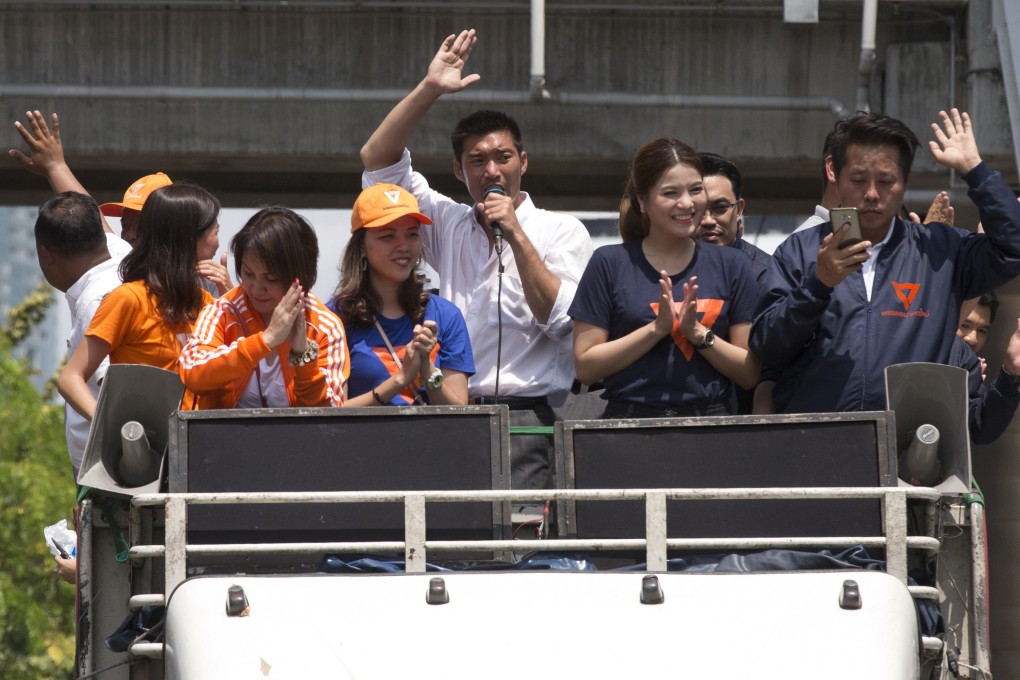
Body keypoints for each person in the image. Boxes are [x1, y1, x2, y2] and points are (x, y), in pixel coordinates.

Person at [358, 29, 593, 492]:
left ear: (523, 162)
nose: (492, 170)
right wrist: (430, 89)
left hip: (532, 415)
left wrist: (516, 233)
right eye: (477, 160)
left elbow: (561, 320)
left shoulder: (562, 229)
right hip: (452, 408)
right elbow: (376, 164)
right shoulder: (446, 222)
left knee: (524, 545)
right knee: (456, 544)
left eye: (503, 157)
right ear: (458, 170)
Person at [751, 108, 1020, 414]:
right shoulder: (800, 251)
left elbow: (1013, 247)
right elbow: (766, 347)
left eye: (886, 181)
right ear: (834, 174)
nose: (871, 194)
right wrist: (818, 285)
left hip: (907, 444)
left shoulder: (942, 251)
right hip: (817, 440)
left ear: (905, 181)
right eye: (858, 179)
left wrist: (975, 170)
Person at [570, 138, 760, 418]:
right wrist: (656, 330)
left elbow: (749, 372)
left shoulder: (732, 265)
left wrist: (697, 333)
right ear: (643, 201)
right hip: (628, 426)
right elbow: (585, 366)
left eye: (695, 190)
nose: (686, 203)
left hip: (710, 425)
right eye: (671, 193)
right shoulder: (609, 263)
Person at [9, 110, 232, 294]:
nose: (130, 234)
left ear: (176, 228)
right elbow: (93, 216)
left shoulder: (209, 284)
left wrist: (228, 291)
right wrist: (55, 167)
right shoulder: (124, 267)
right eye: (125, 224)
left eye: (142, 224)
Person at [58, 182, 221, 418]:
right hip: (148, 451)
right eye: (214, 232)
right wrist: (113, 428)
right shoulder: (128, 299)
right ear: (187, 238)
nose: (218, 242)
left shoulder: (209, 304)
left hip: (200, 448)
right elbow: (70, 378)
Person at [179, 207, 349, 408]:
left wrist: (303, 353)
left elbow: (332, 414)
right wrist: (265, 340)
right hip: (225, 438)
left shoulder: (325, 325)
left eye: (270, 278)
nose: (257, 289)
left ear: (300, 277)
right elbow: (193, 373)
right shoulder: (224, 310)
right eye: (248, 274)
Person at [328, 183, 473, 406]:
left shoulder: (445, 315)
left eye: (412, 234)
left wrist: (427, 370)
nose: (403, 245)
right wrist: (401, 379)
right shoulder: (335, 318)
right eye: (388, 236)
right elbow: (331, 412)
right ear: (362, 246)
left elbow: (460, 412)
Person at [33, 192, 129, 476]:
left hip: (110, 466)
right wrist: (55, 167)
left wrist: (96, 480)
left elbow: (108, 389)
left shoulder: (95, 302)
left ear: (45, 255)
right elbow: (92, 212)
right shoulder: (122, 256)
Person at [695, 152, 772, 287]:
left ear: (739, 209)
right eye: (696, 210)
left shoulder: (766, 275)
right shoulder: (662, 269)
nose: (708, 221)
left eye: (720, 207)